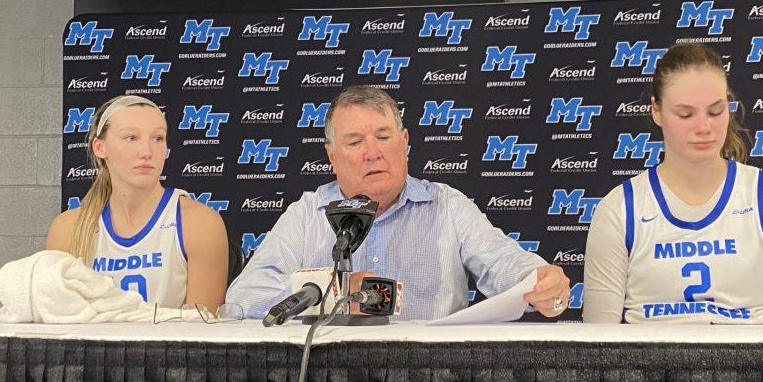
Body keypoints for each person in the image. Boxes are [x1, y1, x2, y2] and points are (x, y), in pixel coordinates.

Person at [226, 85, 571, 321]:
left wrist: (540, 282)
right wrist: (337, 294)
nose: (373, 153)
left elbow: (504, 263)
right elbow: (244, 297)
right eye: (355, 141)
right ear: (332, 155)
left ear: (404, 142)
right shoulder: (307, 215)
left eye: (384, 137)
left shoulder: (446, 206)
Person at [583, 43, 763, 324]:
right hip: (651, 366)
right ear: (656, 111)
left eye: (716, 111)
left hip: (752, 365)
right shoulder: (619, 210)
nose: (704, 127)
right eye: (685, 114)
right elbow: (598, 343)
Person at [46, 94, 229, 311]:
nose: (147, 152)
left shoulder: (199, 224)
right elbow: (60, 324)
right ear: (99, 147)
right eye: (131, 138)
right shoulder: (68, 229)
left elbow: (201, 332)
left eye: (158, 138)